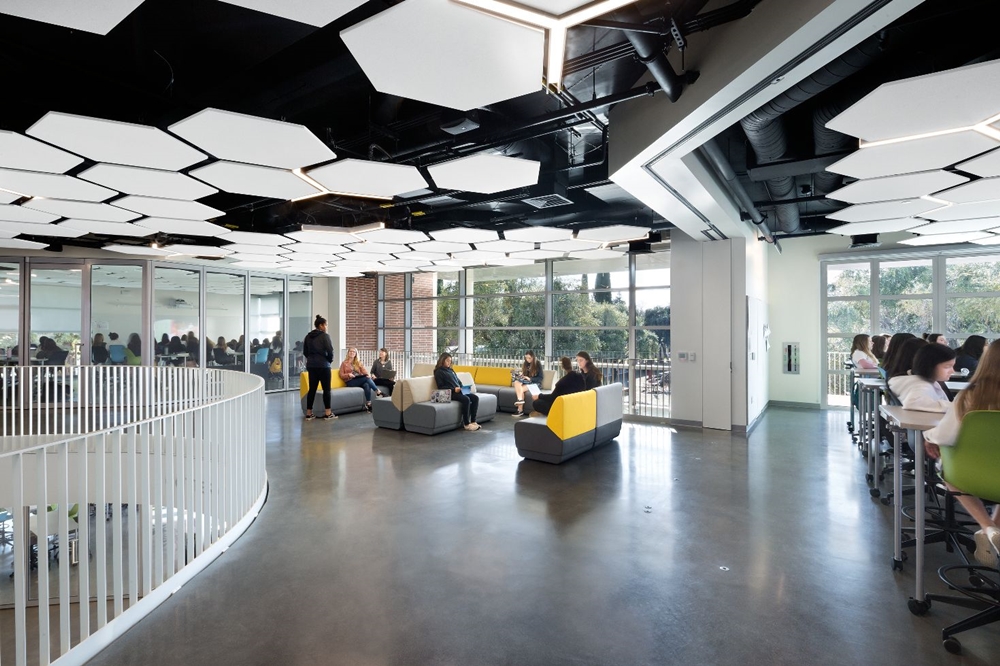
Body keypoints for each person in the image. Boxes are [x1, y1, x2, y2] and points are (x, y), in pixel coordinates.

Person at [925, 339, 1000, 566]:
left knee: (948, 472)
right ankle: (993, 529)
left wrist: (929, 438)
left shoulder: (969, 396)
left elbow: (944, 436)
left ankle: (987, 526)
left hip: (969, 475)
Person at [888, 341, 955, 412]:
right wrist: (957, 407)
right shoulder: (921, 385)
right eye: (947, 366)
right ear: (930, 366)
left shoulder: (919, 380)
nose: (952, 371)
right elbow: (912, 403)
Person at [434, 352, 480, 431]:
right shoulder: (438, 372)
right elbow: (440, 387)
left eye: (450, 361)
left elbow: (458, 381)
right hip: (450, 393)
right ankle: (466, 424)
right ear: (442, 360)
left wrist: (462, 387)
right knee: (466, 399)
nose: (449, 363)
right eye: (447, 361)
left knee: (475, 398)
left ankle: (473, 422)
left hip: (459, 391)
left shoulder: (451, 370)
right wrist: (454, 389)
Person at [303, 315, 337, 421]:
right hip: (323, 365)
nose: (326, 327)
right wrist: (329, 360)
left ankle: (309, 413)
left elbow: (305, 352)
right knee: (326, 389)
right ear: (321, 325)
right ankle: (328, 413)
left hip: (311, 365)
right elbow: (330, 350)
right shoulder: (324, 336)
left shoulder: (308, 336)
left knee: (312, 389)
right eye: (325, 325)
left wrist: (311, 359)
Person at [340, 347, 383, 411]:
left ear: (356, 354)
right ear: (348, 353)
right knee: (366, 379)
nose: (352, 353)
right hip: (350, 381)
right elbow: (341, 375)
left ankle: (368, 404)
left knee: (367, 384)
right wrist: (348, 375)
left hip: (358, 379)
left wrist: (368, 375)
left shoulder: (358, 362)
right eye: (350, 351)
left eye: (353, 352)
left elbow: (364, 371)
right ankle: (378, 392)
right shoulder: (344, 363)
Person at [512, 350, 543, 417]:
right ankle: (520, 400)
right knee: (516, 382)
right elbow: (526, 374)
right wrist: (522, 375)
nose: (528, 360)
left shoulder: (537, 364)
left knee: (520, 390)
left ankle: (520, 410)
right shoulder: (525, 364)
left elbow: (540, 378)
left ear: (533, 357)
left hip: (535, 383)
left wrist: (530, 378)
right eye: (526, 358)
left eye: (529, 358)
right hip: (527, 382)